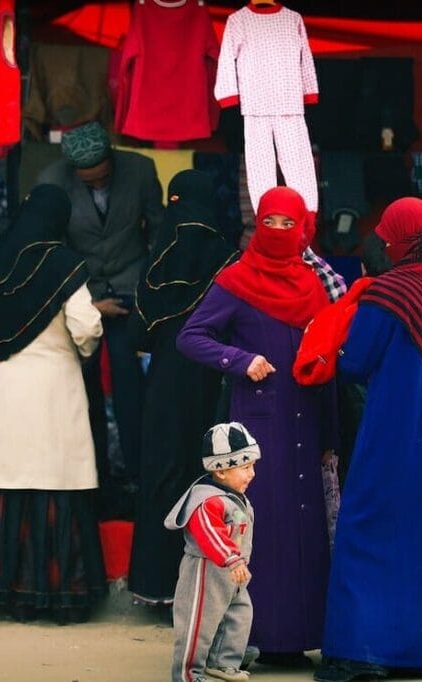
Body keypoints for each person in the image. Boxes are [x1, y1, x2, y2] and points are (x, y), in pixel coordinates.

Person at [316, 198, 422, 680]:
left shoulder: (391, 291)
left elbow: (354, 362)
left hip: (395, 428)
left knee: (370, 528)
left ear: (403, 242)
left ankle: (362, 652)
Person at [177, 186, 335, 667]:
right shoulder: (236, 279)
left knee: (305, 527)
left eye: (290, 224)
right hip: (261, 426)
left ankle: (302, 635)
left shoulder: (315, 282)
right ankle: (253, 637)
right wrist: (239, 360)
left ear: (304, 227)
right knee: (261, 528)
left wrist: (331, 431)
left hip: (309, 417)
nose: (280, 233)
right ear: (257, 224)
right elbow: (191, 336)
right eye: (271, 223)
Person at [0, 184, 108, 624]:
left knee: (9, 480)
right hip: (54, 387)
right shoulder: (65, 264)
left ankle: (10, 595)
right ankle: (60, 597)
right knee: (56, 482)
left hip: (4, 386)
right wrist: (78, 352)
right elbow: (85, 325)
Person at [127, 169, 238, 609]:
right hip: (214, 378)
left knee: (163, 472)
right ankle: (201, 592)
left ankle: (156, 587)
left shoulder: (158, 260)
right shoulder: (229, 258)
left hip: (166, 383)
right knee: (209, 475)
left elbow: (137, 333)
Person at [38, 120, 164, 489]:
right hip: (81, 292)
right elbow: (54, 250)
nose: (96, 185)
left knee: (131, 389)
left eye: (102, 177)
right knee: (84, 388)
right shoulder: (51, 181)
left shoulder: (140, 169)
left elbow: (156, 228)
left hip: (129, 287)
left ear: (112, 159)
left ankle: (139, 475)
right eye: (87, 181)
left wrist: (151, 287)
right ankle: (94, 477)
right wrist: (87, 302)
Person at [165, 422, 259, 682]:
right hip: (206, 571)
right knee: (198, 623)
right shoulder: (207, 500)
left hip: (232, 572)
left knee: (238, 615)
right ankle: (188, 673)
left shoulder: (233, 495)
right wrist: (232, 558)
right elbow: (210, 534)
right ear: (221, 471)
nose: (251, 474)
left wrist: (236, 562)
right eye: (244, 467)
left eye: (252, 466)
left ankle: (223, 662)